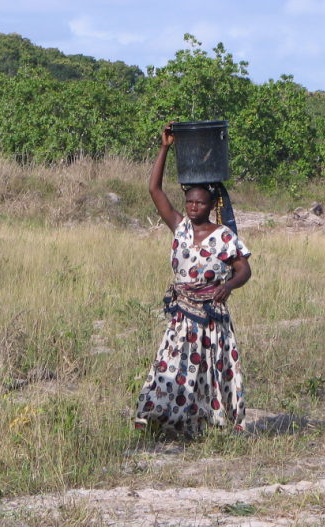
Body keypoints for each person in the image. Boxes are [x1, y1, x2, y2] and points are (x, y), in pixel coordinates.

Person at [135, 122, 252, 436]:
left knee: (211, 369)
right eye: (189, 202)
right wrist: (165, 147)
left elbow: (244, 270)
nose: (193, 207)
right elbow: (154, 190)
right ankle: (162, 420)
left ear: (212, 205)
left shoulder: (224, 236)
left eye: (200, 203)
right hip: (182, 314)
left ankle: (210, 424)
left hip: (212, 315)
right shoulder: (180, 227)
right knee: (172, 366)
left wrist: (229, 285)